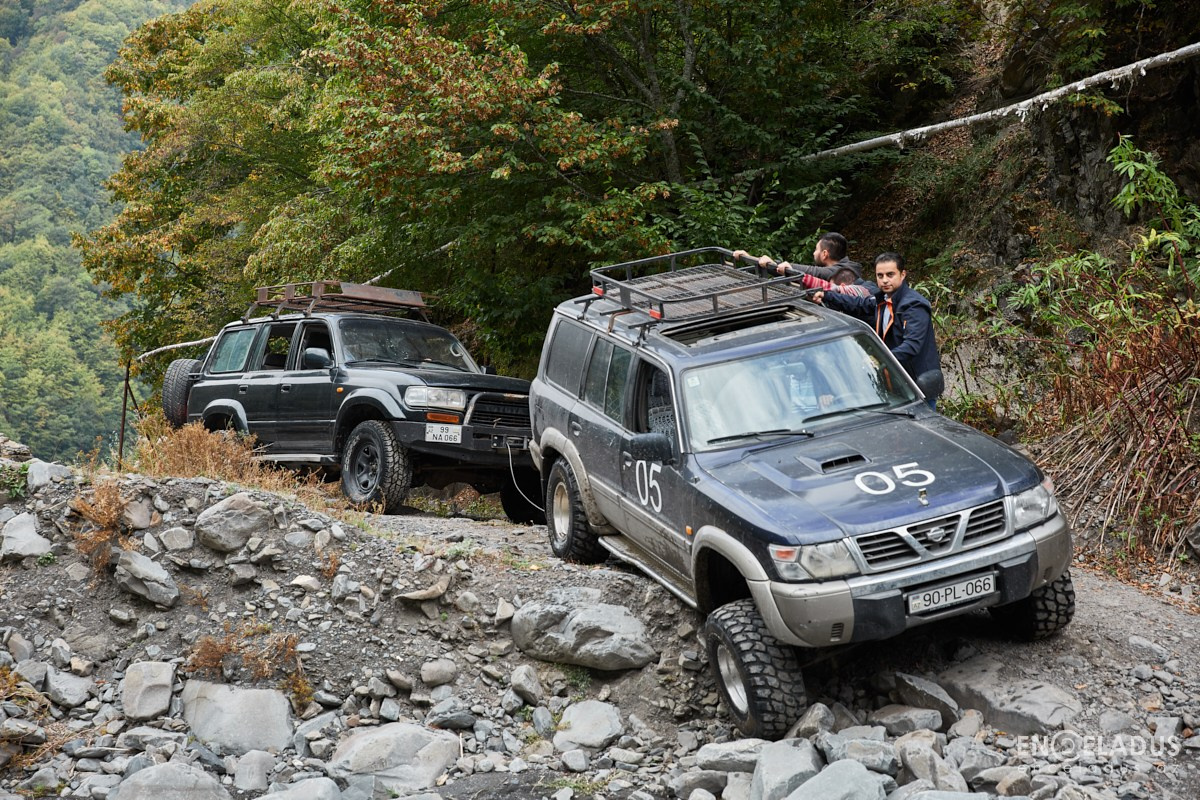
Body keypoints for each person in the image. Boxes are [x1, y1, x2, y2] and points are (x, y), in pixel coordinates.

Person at [816, 252, 943, 410]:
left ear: (902, 274)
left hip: (917, 386)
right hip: (893, 384)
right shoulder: (882, 300)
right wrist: (826, 295)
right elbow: (858, 304)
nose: (884, 280)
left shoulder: (913, 306)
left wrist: (878, 358)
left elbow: (912, 346)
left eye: (890, 275)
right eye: (880, 275)